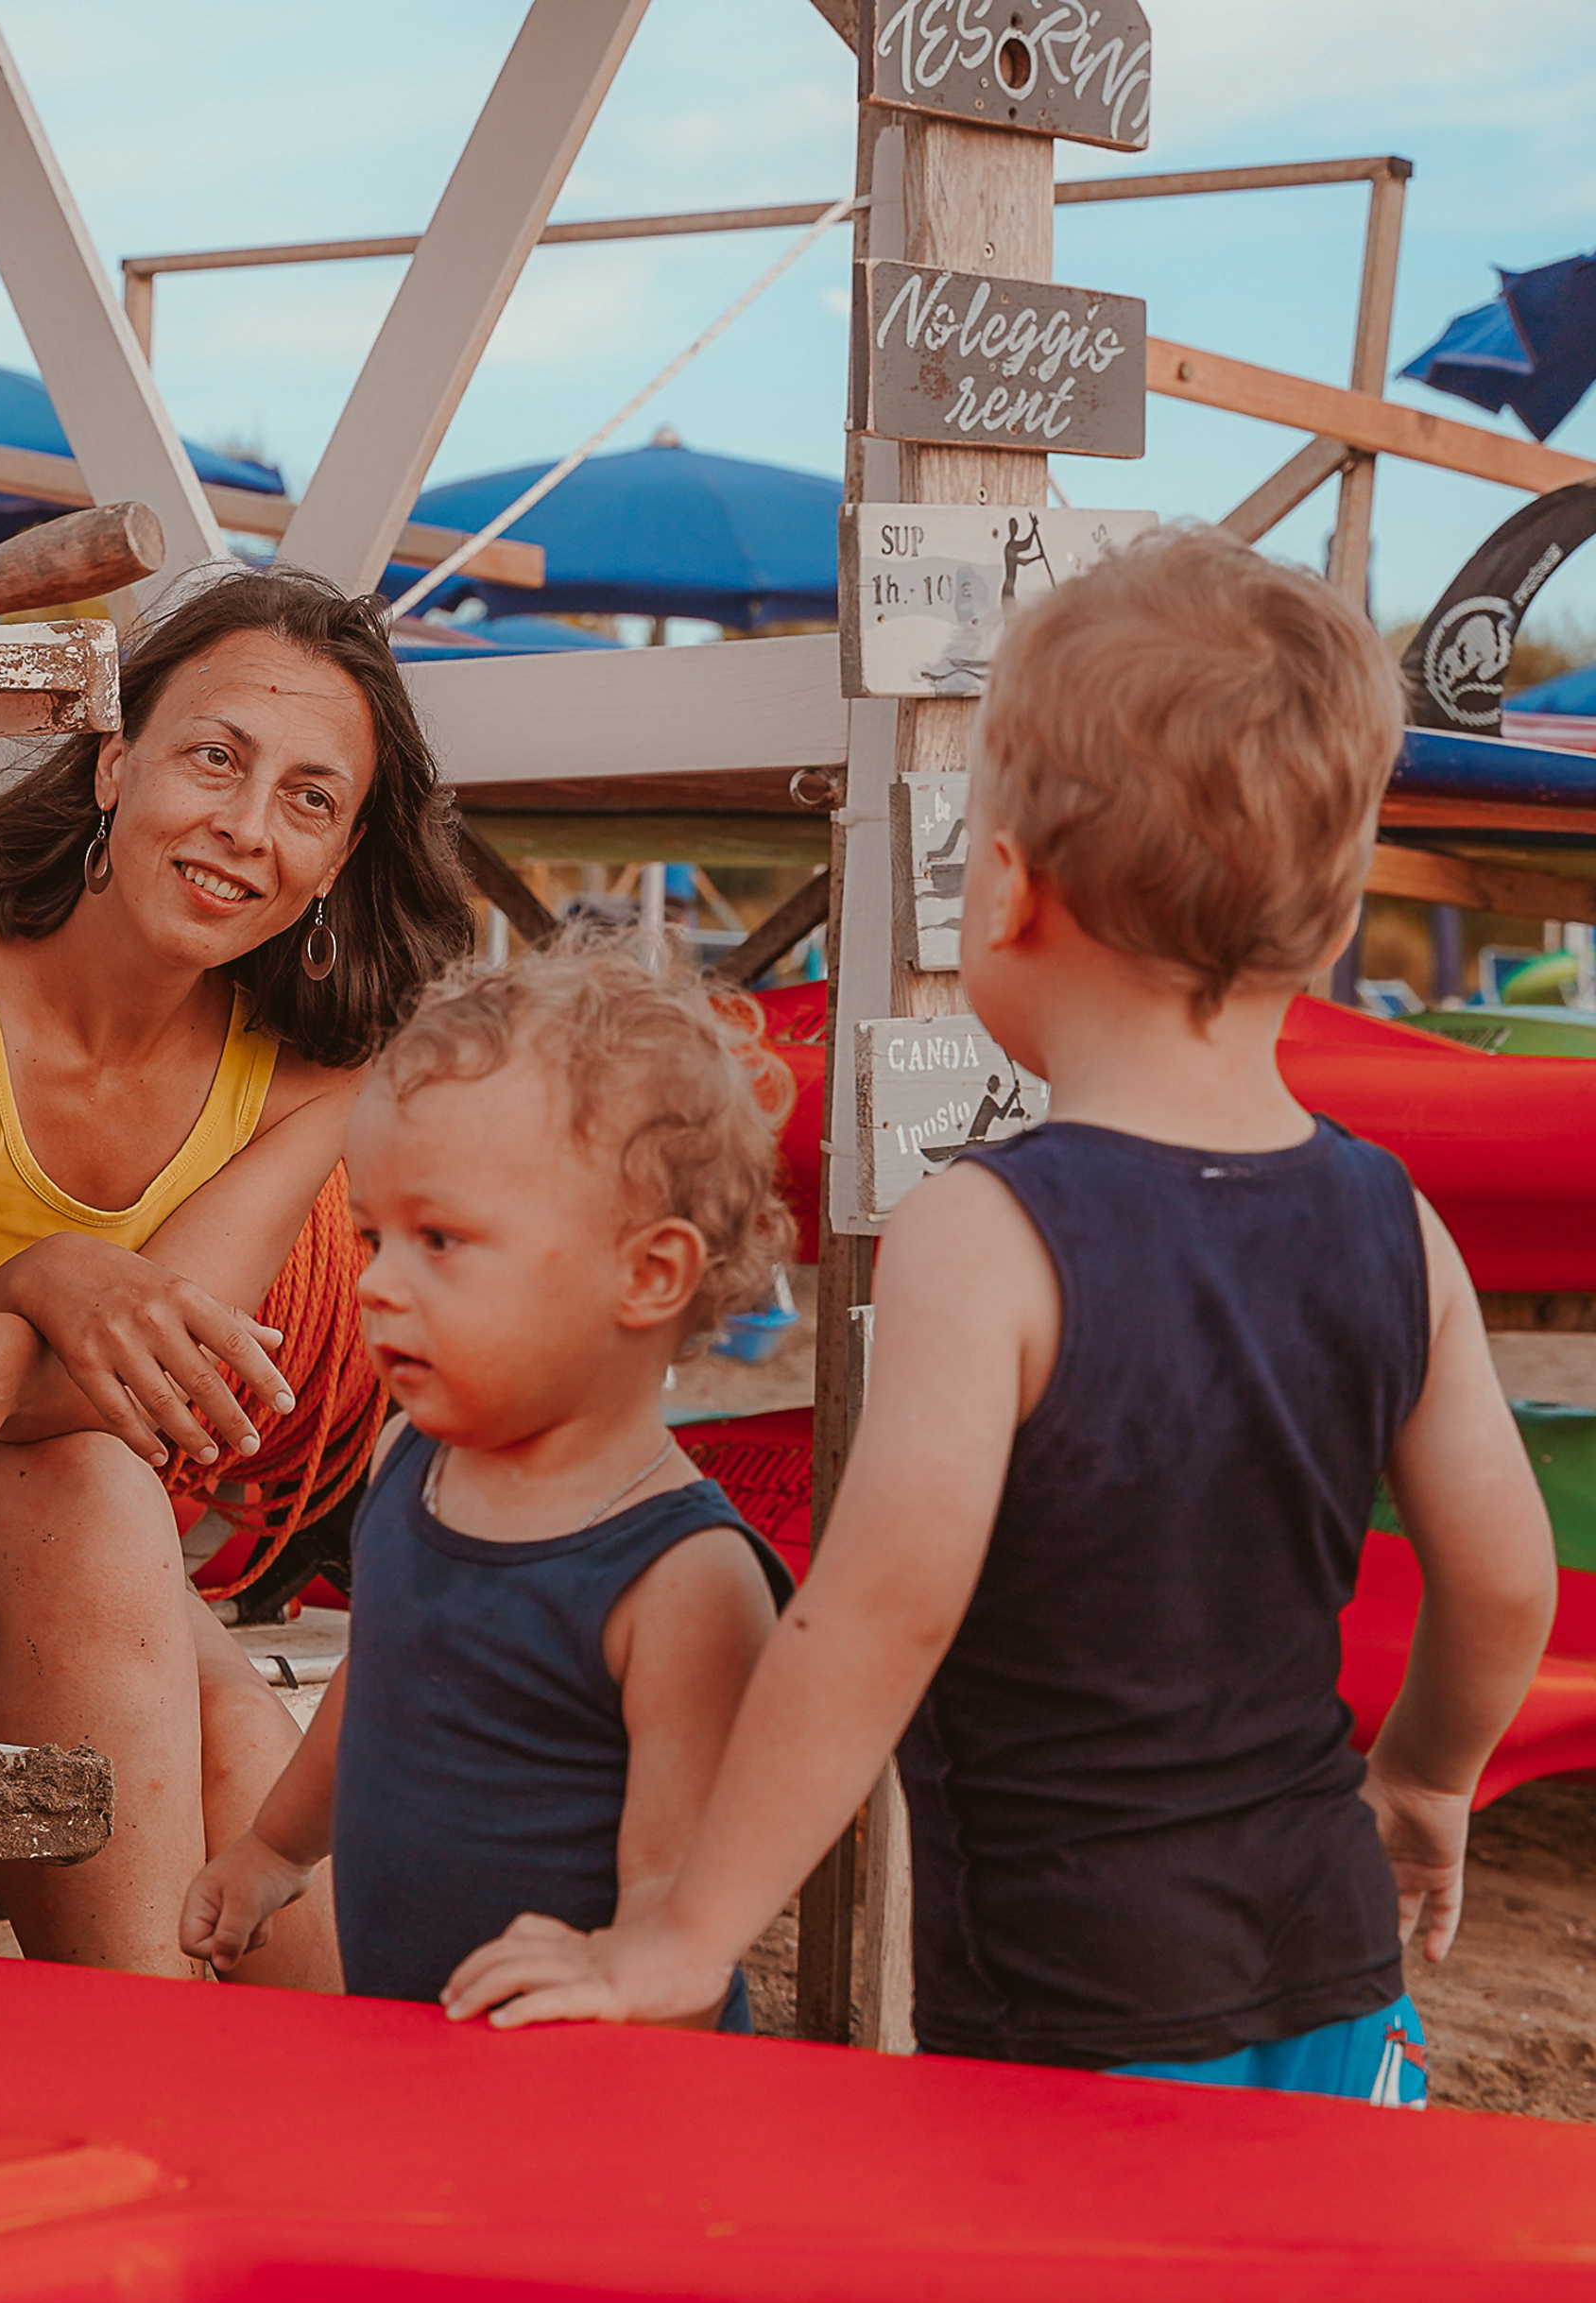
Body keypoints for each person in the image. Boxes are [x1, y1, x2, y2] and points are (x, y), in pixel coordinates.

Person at [444, 527, 1558, 2105]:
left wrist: (689, 1931)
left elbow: (882, 1608)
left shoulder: (993, 1226)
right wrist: (1431, 1777)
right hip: (1334, 1958)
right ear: (1324, 924)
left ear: (1013, 891)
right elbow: (1508, 1582)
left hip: (1074, 1991)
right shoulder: (1398, 1223)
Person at [0, 566, 472, 1982]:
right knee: (102, 1514)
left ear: (346, 852)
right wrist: (54, 1280)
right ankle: (133, 2075)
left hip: (79, 1565)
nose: (249, 829)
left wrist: (13, 1322)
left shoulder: (310, 1084)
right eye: (215, 758)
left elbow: (156, 1398)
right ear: (116, 760)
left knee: (229, 1728)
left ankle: (321, 2155)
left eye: (312, 800)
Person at [180, 946, 793, 2023]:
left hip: (598, 2096)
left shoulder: (682, 1580)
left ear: (647, 1274)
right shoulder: (408, 1462)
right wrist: (276, 1848)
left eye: (441, 1240)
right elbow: (379, 1685)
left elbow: (676, 1923)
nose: (372, 1282)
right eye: (373, 1236)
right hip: (417, 2044)